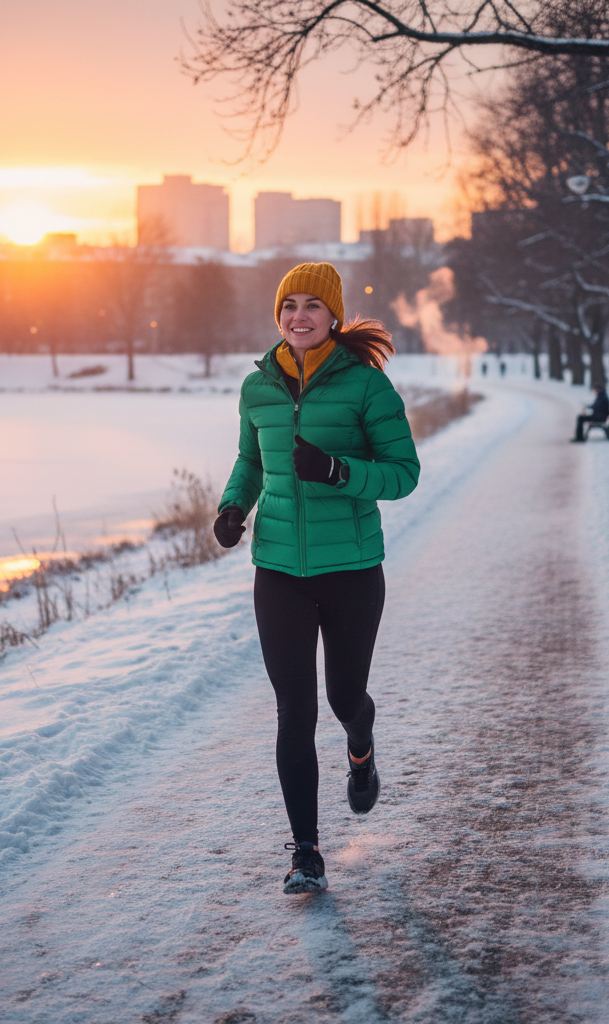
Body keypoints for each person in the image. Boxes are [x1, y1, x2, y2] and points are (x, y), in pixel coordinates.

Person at [212, 263, 420, 895]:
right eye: (288, 305)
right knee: (293, 710)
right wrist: (232, 507)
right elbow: (251, 460)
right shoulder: (258, 386)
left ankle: (362, 746)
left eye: (311, 305)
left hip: (351, 570)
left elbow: (403, 473)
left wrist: (336, 470)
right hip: (278, 571)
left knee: (343, 699)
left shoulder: (366, 385)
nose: (298, 316)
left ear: (333, 315)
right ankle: (306, 853)